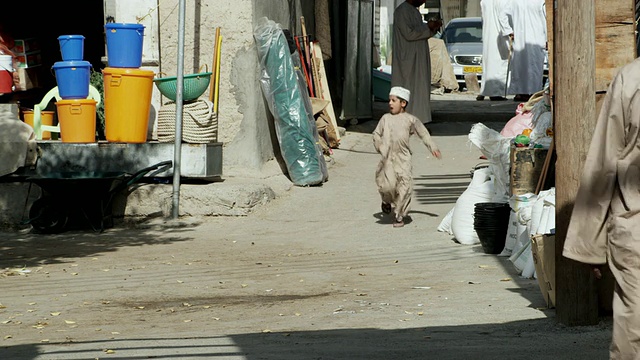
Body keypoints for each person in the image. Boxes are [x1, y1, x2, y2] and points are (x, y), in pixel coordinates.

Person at [563, 57, 640, 359]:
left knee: (634, 324)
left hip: (633, 223)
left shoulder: (630, 78)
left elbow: (604, 160)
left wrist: (589, 245)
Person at [373, 86, 441, 228]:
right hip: (387, 159)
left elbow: (423, 133)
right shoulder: (385, 119)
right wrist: (380, 146)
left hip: (403, 158)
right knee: (388, 185)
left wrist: (432, 147)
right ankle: (386, 200)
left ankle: (399, 214)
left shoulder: (410, 120)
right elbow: (376, 134)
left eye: (394, 100)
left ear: (403, 103)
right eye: (389, 100)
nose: (390, 103)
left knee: (405, 186)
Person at [391, 0, 442, 124]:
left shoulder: (415, 12)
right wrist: (428, 27)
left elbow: (420, 32)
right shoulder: (401, 11)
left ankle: (418, 121)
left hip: (417, 59)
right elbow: (409, 34)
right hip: (407, 61)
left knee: (419, 90)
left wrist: (432, 28)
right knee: (407, 89)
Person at [501, 0, 547, 102]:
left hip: (521, 39)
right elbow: (546, 19)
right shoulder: (541, 1)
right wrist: (548, 38)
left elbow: (502, 14)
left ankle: (520, 92)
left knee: (520, 66)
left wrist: (508, 30)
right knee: (533, 67)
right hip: (537, 39)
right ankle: (532, 93)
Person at [476, 0, 513, 101]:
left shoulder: (484, 1)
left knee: (488, 66)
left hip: (488, 34)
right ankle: (495, 93)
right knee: (498, 66)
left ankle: (484, 91)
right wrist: (509, 31)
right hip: (499, 36)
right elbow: (503, 17)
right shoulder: (503, 1)